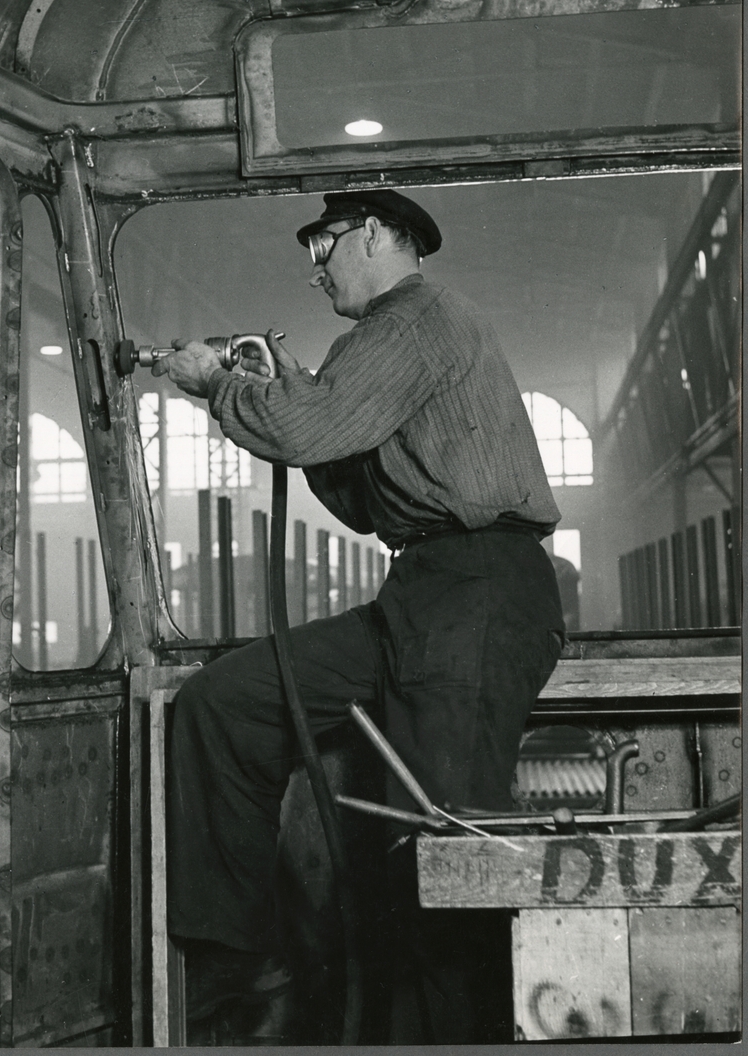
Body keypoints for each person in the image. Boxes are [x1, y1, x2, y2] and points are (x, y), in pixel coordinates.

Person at [152, 189, 565, 1043]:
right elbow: (357, 499)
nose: (315, 269)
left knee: (443, 844)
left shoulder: (416, 320)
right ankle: (238, 961)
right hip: (423, 594)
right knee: (227, 702)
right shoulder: (383, 341)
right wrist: (289, 390)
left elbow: (308, 433)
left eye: (323, 244)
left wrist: (219, 386)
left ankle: (461, 1037)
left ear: (374, 234)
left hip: (479, 593)